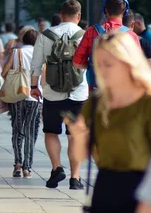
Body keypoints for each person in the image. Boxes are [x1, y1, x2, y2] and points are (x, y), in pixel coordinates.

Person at [66, 32, 151, 213]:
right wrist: (79, 137)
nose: (102, 71)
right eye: (98, 64)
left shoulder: (146, 101)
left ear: (128, 63)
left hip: (140, 189)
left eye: (109, 64)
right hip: (105, 186)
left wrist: (147, 202)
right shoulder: (97, 101)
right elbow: (81, 155)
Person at [30, 0, 87, 189]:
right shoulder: (84, 36)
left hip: (52, 93)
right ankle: (75, 178)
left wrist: (34, 86)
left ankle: (57, 168)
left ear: (61, 15)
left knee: (51, 132)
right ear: (78, 16)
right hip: (78, 93)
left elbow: (36, 64)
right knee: (75, 136)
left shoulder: (46, 35)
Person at [73, 0, 141, 89]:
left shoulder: (91, 31)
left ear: (105, 11)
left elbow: (77, 62)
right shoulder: (131, 36)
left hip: (97, 91)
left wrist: (92, 66)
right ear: (124, 11)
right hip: (123, 91)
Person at [1, 29, 42, 178]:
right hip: (35, 98)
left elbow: (4, 72)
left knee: (17, 130)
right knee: (31, 131)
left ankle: (17, 164)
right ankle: (27, 167)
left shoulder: (16, 52)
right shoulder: (41, 54)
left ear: (23, 40)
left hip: (18, 95)